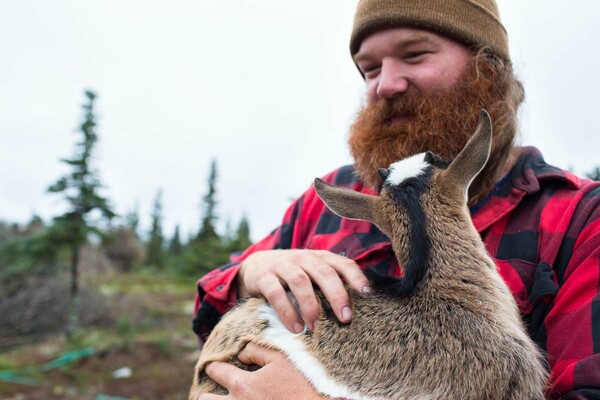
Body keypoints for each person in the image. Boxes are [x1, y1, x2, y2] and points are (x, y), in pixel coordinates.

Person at [193, 1, 600, 399]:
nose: (385, 84)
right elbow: (210, 301)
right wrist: (253, 269)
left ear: (488, 69)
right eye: (370, 68)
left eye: (414, 54)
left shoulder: (580, 220)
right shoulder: (329, 200)